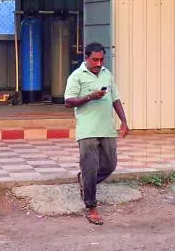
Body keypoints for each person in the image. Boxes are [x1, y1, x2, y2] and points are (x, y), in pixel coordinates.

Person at [64, 42, 129, 225]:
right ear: (86, 57)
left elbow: (115, 99)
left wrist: (124, 121)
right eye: (95, 60)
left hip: (107, 128)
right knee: (90, 167)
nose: (98, 63)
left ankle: (86, 181)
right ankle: (91, 207)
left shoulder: (107, 74)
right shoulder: (76, 76)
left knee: (110, 165)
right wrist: (89, 97)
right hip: (87, 130)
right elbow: (68, 102)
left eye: (101, 60)